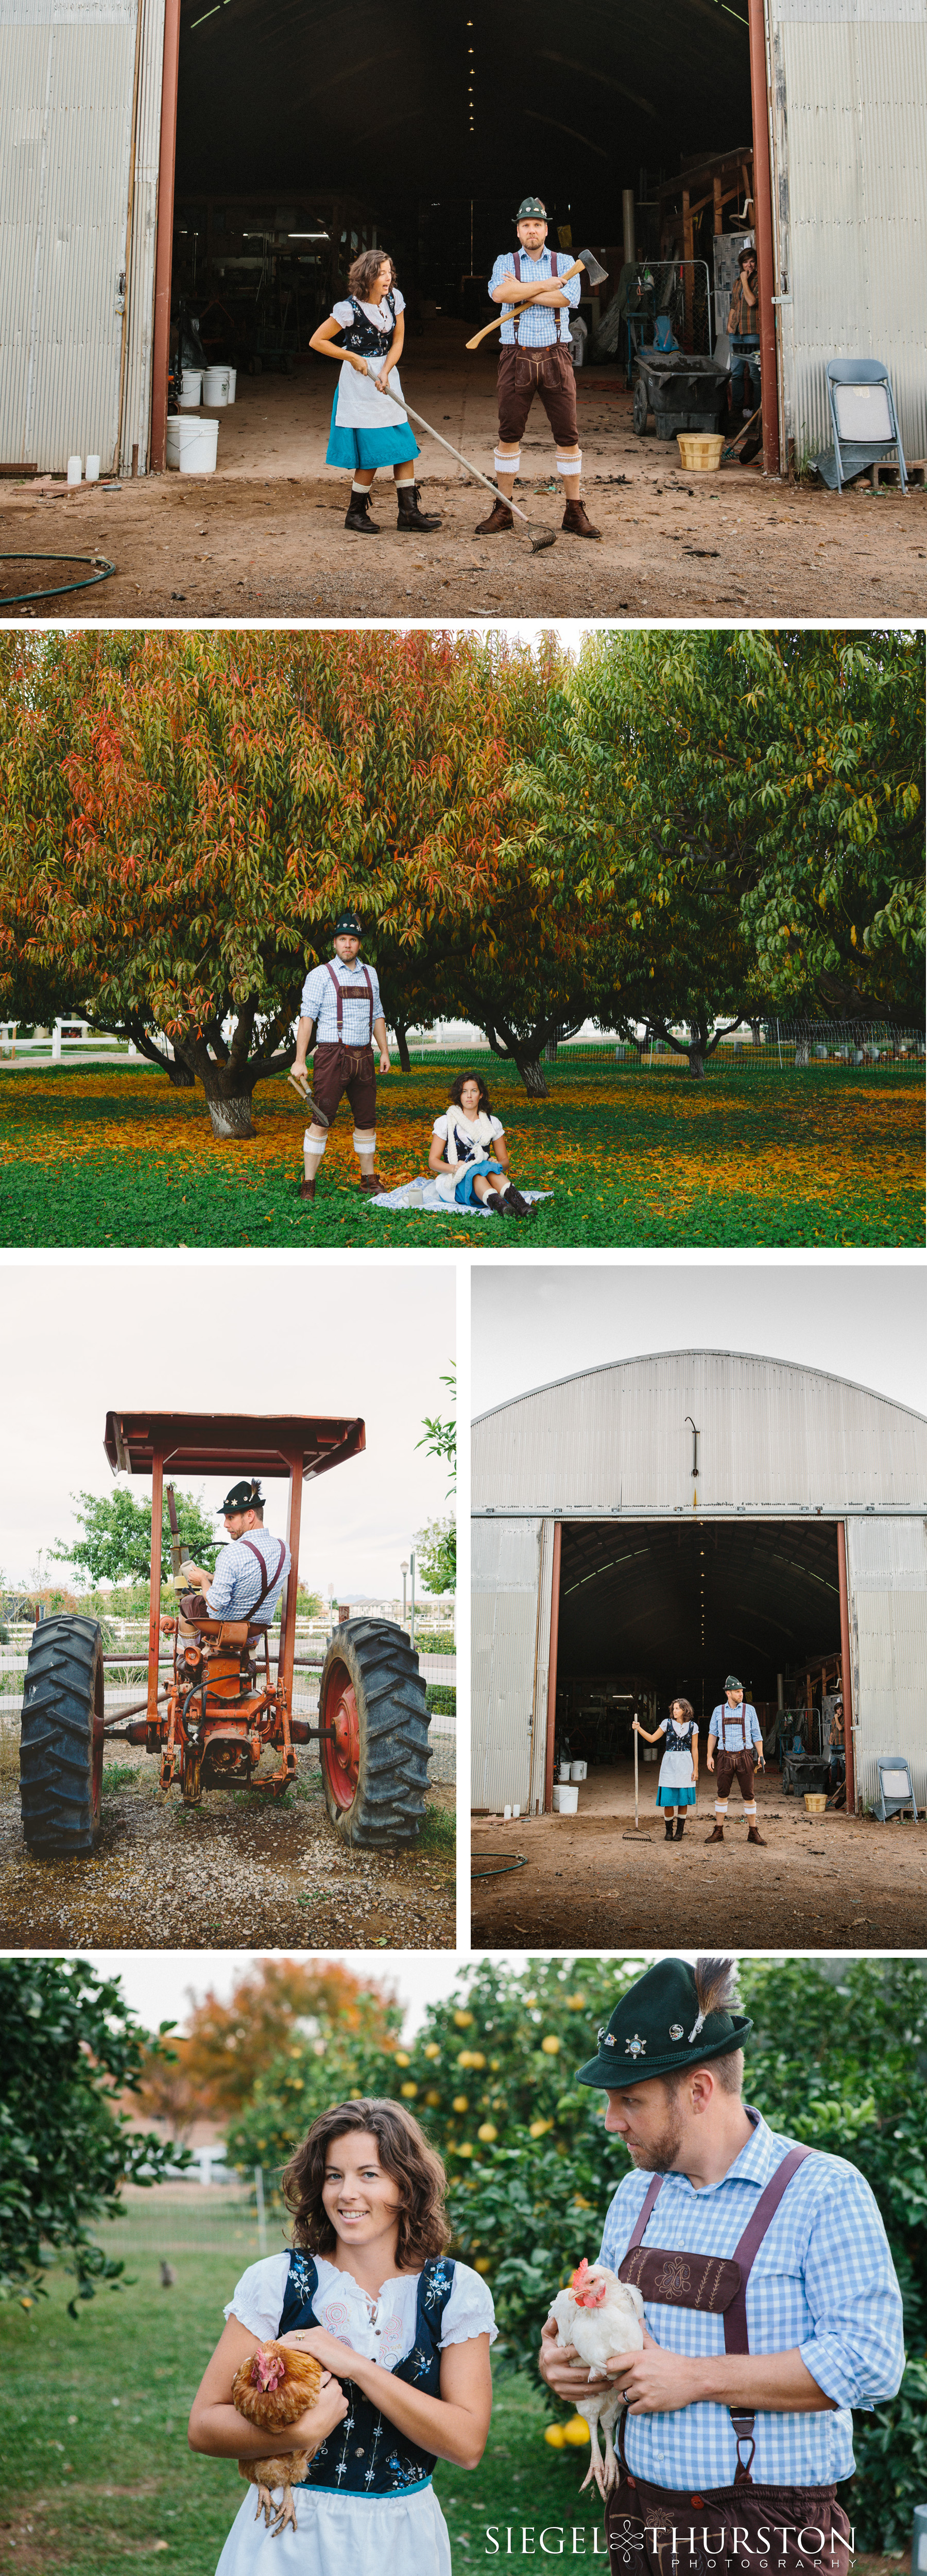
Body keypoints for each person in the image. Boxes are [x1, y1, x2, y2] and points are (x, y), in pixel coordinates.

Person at [537, 1954, 904, 2575]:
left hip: (764, 2532)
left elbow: (870, 2362)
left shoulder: (822, 2190)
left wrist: (699, 2376)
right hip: (636, 2513)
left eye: (630, 2099)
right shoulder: (637, 2192)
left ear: (700, 2089)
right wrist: (570, 2360)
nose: (610, 2121)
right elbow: (607, 2320)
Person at [190, 2096, 495, 2576]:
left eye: (369, 2174)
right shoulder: (276, 2282)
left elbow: (467, 2444)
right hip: (284, 2537)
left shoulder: (455, 2292)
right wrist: (299, 2432)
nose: (347, 2193)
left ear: (407, 2185)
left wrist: (354, 2365)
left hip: (401, 2540)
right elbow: (203, 2426)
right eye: (334, 2175)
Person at [478, 196, 600, 541]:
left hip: (556, 357)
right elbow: (499, 293)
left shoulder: (566, 262)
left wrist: (524, 292)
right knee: (509, 434)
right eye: (525, 225)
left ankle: (574, 511)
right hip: (515, 357)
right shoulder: (505, 261)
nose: (531, 230)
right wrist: (546, 285)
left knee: (568, 435)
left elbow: (567, 300)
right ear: (518, 231)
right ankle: (503, 510)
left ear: (546, 229)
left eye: (537, 225)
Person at [310, 249, 440, 538]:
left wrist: (386, 371)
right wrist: (351, 357)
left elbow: (399, 339)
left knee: (405, 447)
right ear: (367, 276)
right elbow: (317, 341)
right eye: (382, 273)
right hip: (359, 384)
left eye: (390, 271)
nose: (388, 277)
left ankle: (408, 513)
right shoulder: (348, 309)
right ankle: (355, 513)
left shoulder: (395, 299)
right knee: (370, 454)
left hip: (386, 378)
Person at [290, 913, 391, 1201]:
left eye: (353, 940)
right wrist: (300, 1060)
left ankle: (368, 1179)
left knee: (367, 1121)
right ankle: (309, 1183)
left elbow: (378, 1015)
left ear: (359, 944)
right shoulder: (320, 975)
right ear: (335, 943)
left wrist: (383, 1051)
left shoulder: (371, 974)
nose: (348, 945)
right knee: (321, 1119)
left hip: (364, 1056)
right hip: (332, 1055)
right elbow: (307, 1019)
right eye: (343, 939)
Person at [178, 1479, 290, 1628]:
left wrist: (203, 1581)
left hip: (225, 1626)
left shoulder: (232, 1552)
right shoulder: (284, 1549)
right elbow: (249, 1580)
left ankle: (191, 1651)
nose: (225, 1524)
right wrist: (211, 1577)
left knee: (187, 1603)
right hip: (258, 1628)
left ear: (250, 1516)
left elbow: (216, 1603)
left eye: (231, 1517)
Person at [428, 1071, 534, 1219]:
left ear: (481, 1094)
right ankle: (501, 1206)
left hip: (487, 1175)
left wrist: (496, 1164)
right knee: (475, 1171)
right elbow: (433, 1161)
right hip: (456, 1181)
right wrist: (454, 1168)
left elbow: (505, 1161)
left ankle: (522, 1206)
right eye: (464, 1092)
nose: (469, 1096)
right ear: (459, 1095)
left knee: (486, 1168)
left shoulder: (492, 1123)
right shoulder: (446, 1122)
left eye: (474, 1091)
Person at [706, 1672, 765, 1845]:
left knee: (749, 1795)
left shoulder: (750, 1710)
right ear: (728, 1693)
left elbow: (757, 1735)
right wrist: (710, 1756)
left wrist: (761, 1755)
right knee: (722, 1794)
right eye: (737, 1691)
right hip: (724, 1756)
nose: (741, 1694)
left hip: (745, 1756)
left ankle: (753, 1832)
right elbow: (712, 1735)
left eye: (741, 1691)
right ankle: (719, 1831)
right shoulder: (719, 1711)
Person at [633, 1696, 699, 1841]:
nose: (674, 1711)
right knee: (669, 1800)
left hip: (685, 1764)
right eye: (673, 1709)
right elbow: (652, 1739)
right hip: (669, 1764)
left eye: (678, 1709)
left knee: (683, 1801)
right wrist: (639, 1729)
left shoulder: (694, 1727)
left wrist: (696, 1769)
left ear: (685, 1710)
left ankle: (680, 1832)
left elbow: (695, 1749)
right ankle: (669, 1831)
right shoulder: (667, 1723)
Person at [727, 246, 761, 423]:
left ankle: (757, 413)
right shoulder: (737, 282)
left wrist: (745, 280)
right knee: (737, 373)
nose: (749, 265)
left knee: (755, 374)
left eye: (752, 261)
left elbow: (751, 301)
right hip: (738, 333)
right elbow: (734, 305)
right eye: (745, 262)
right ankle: (737, 410)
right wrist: (730, 327)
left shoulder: (758, 280)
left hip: (752, 333)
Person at [826, 1697, 847, 1805]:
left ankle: (843, 1783)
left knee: (843, 1764)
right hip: (834, 1743)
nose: (840, 1711)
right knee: (833, 1763)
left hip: (841, 1743)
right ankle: (833, 1782)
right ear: (835, 1710)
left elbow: (840, 1728)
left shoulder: (843, 1718)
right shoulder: (834, 1719)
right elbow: (833, 1730)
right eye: (838, 1709)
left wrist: (837, 1718)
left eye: (841, 1709)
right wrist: (830, 1739)